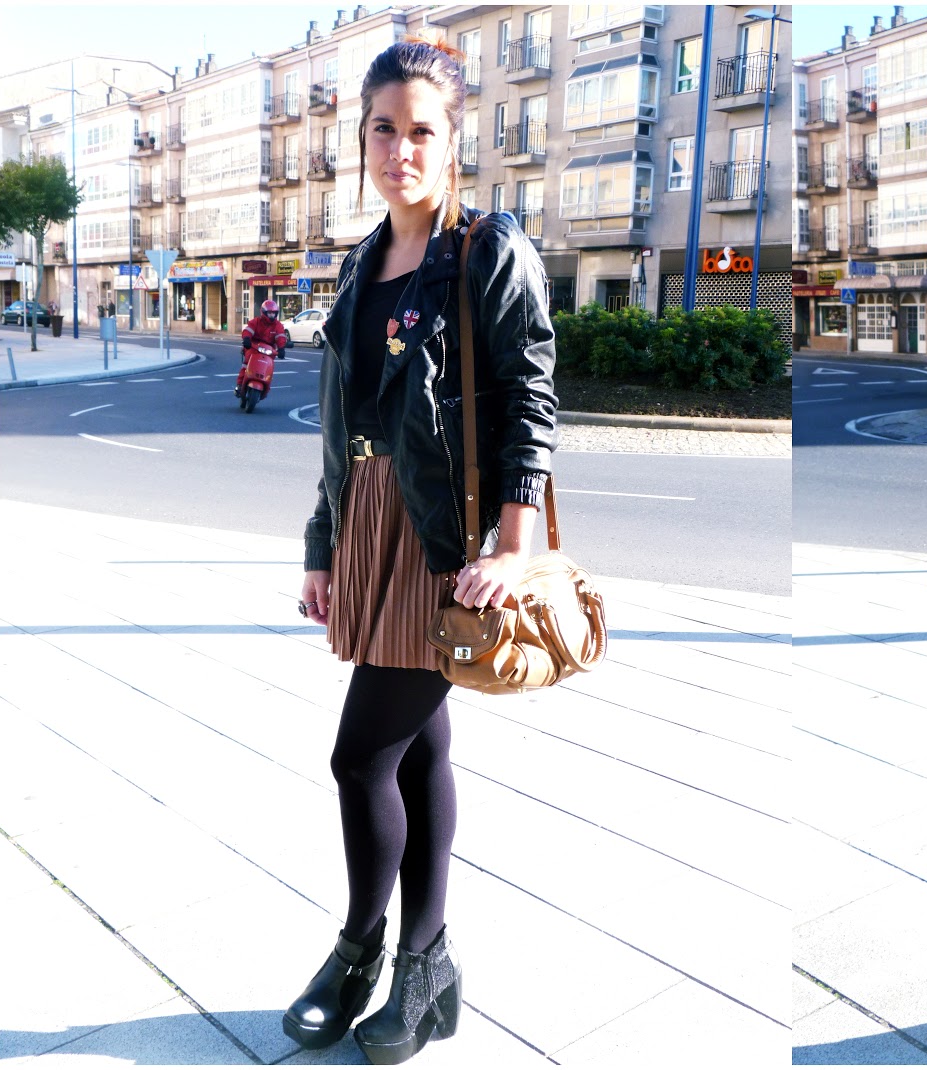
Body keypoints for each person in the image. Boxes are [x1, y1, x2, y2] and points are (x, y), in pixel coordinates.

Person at [287, 31, 557, 1065]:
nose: (400, 149)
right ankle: (427, 969)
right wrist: (322, 543)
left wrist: (513, 545)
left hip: (442, 530)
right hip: (368, 516)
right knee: (420, 748)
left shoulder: (487, 249)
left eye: (421, 131)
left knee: (361, 756)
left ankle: (366, 950)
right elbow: (341, 419)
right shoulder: (365, 260)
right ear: (361, 138)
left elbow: (530, 396)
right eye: (383, 129)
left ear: (455, 140)